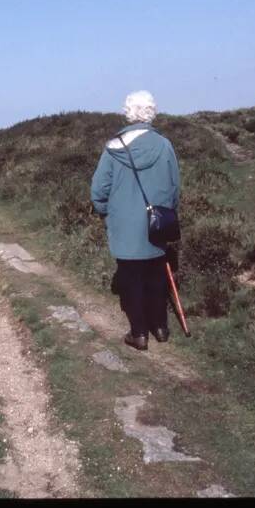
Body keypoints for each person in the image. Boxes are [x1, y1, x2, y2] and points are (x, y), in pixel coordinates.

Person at [90, 90, 180, 351]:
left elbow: (98, 191)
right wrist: (166, 213)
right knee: (156, 274)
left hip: (123, 223)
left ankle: (139, 333)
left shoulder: (114, 147)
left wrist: (107, 211)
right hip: (157, 222)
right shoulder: (165, 145)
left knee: (130, 276)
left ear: (128, 112)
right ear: (152, 111)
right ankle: (161, 328)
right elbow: (175, 187)